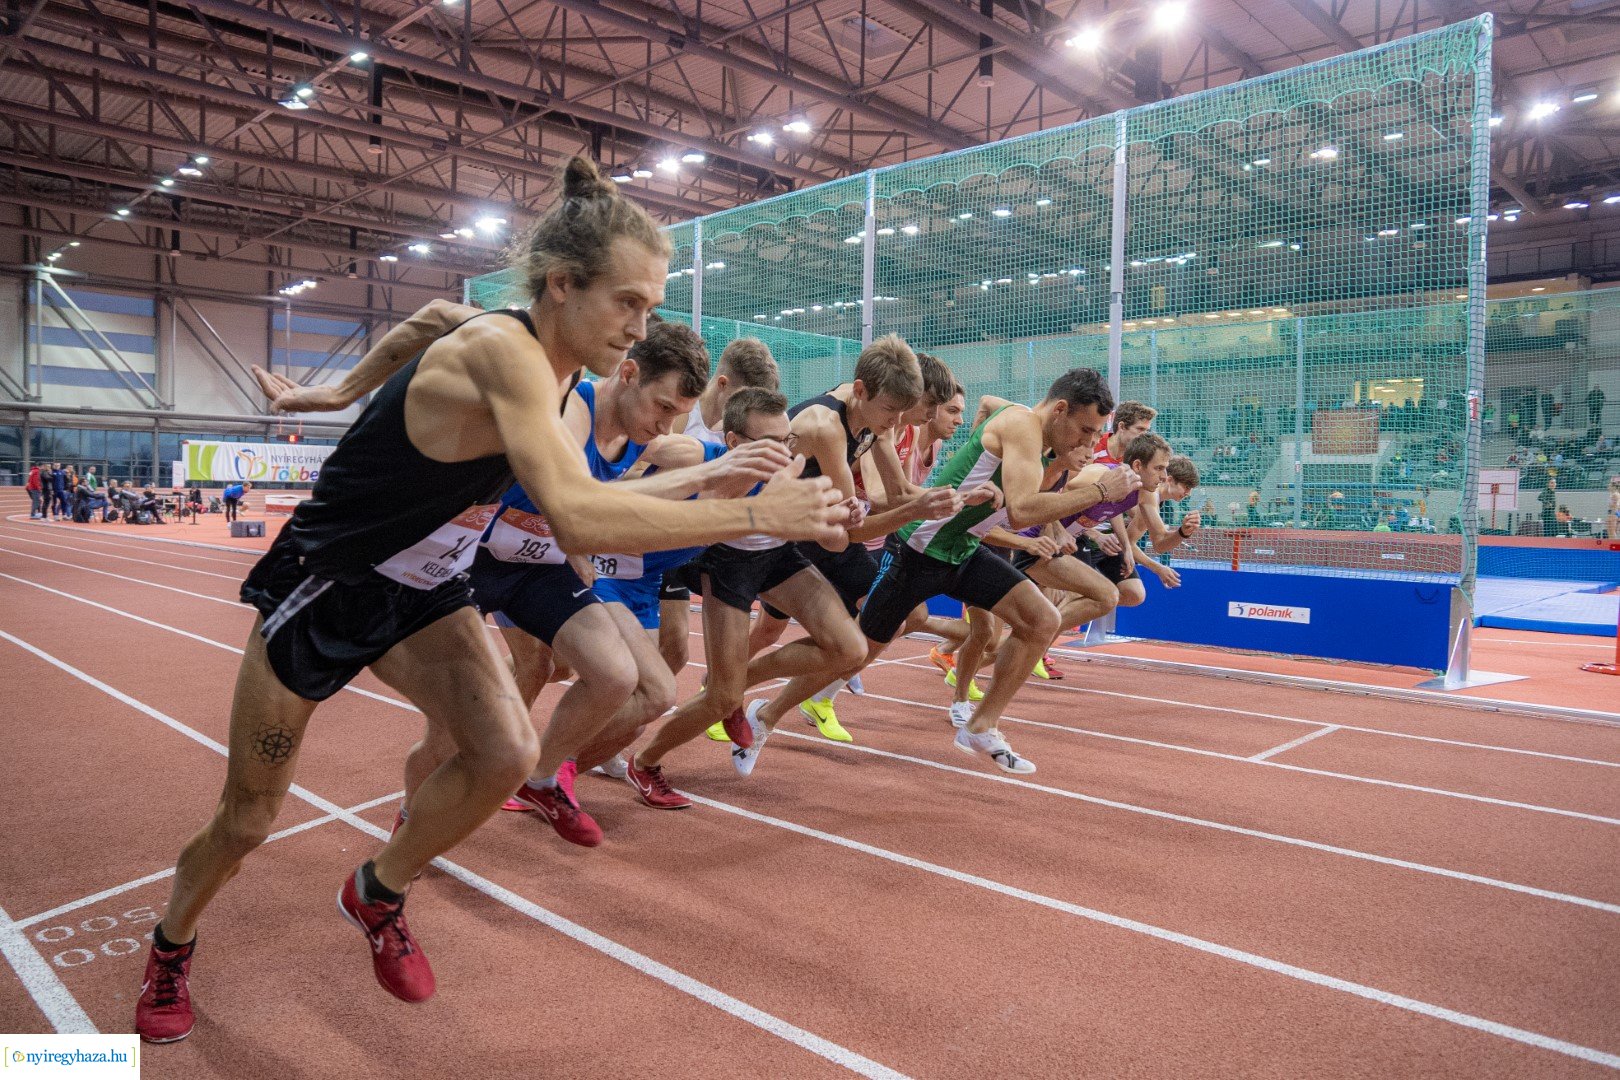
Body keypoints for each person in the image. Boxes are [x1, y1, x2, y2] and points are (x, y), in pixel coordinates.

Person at [133, 156, 846, 1045]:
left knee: (507, 750)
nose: (642, 325)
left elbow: (427, 321)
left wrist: (333, 392)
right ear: (562, 285)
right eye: (629, 303)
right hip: (327, 587)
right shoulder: (508, 354)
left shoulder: (546, 357)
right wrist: (756, 509)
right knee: (247, 821)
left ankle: (377, 890)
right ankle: (171, 942)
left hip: (429, 590)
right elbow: (577, 519)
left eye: (652, 306)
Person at [746, 368, 1138, 777]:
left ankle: (981, 726)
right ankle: (764, 713)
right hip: (918, 550)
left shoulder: (1031, 432)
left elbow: (990, 409)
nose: (1090, 443)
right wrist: (1098, 492)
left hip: (962, 549)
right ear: (1059, 409)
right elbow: (1022, 511)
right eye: (1086, 429)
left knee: (1041, 619)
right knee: (854, 654)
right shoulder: (1022, 425)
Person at [621, 386, 875, 803]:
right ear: (735, 442)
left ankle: (743, 685)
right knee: (720, 699)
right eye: (770, 443)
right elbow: (641, 450)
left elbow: (834, 543)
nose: (785, 452)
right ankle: (645, 762)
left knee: (851, 649)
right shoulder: (703, 459)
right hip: (728, 566)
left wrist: (845, 516)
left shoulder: (792, 470)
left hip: (778, 558)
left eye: (787, 440)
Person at [736, 338, 953, 744]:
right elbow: (850, 530)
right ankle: (727, 687)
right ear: (860, 390)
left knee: (877, 624)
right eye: (892, 410)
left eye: (904, 411)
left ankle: (786, 693)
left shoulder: (875, 420)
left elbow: (897, 493)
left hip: (806, 527)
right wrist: (904, 511)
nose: (898, 420)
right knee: (776, 631)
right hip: (766, 535)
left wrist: (957, 501)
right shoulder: (827, 425)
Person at [658, 337, 781, 676]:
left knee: (675, 651)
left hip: (689, 544)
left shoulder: (741, 433)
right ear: (723, 384)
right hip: (651, 532)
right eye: (746, 400)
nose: (751, 413)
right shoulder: (681, 415)